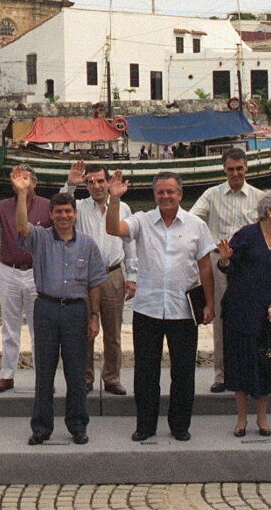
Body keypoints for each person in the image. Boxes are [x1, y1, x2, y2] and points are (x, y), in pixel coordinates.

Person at [106, 171, 215, 442]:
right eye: (160, 192)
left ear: (180, 194)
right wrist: (114, 199)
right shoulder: (142, 221)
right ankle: (145, 425)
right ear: (154, 194)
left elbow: (204, 266)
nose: (165, 196)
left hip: (183, 310)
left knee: (183, 372)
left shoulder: (195, 225)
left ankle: (179, 425)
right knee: (145, 372)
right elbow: (113, 229)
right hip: (148, 308)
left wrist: (210, 303)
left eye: (170, 192)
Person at [9, 167, 106, 445]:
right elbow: (21, 227)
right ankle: (41, 427)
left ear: (75, 214)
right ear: (50, 215)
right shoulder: (39, 238)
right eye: (58, 212)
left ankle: (77, 425)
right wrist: (22, 192)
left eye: (68, 212)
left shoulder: (87, 245)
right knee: (45, 371)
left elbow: (95, 283)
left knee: (76, 372)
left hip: (77, 311)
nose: (63, 216)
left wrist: (94, 316)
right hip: (46, 309)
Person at [217, 190, 271, 437]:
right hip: (240, 310)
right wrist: (226, 260)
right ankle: (241, 419)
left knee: (267, 365)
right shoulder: (247, 235)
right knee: (241, 364)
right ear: (269, 210)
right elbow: (226, 265)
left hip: (267, 314)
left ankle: (262, 419)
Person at [0, 167, 51, 393]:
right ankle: (7, 375)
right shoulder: (3, 206)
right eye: (16, 179)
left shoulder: (47, 206)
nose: (20, 182)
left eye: (25, 178)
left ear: (34, 182)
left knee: (40, 329)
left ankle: (42, 377)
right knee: (10, 326)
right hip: (9, 270)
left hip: (37, 271)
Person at [189, 148, 264, 394]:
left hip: (249, 267)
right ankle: (221, 375)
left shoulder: (259, 197)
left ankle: (250, 371)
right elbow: (193, 220)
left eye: (239, 169)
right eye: (231, 169)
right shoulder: (211, 195)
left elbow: (269, 228)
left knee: (251, 319)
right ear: (224, 169)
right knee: (221, 320)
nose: (235, 173)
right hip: (219, 265)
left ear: (246, 168)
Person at [60, 161, 137, 395]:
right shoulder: (79, 208)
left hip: (113, 273)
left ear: (108, 181)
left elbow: (129, 242)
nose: (96, 186)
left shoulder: (122, 208)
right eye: (90, 182)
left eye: (100, 181)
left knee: (113, 332)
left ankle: (112, 378)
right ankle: (85, 378)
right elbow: (60, 206)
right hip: (84, 277)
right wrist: (70, 185)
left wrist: (132, 275)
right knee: (85, 331)